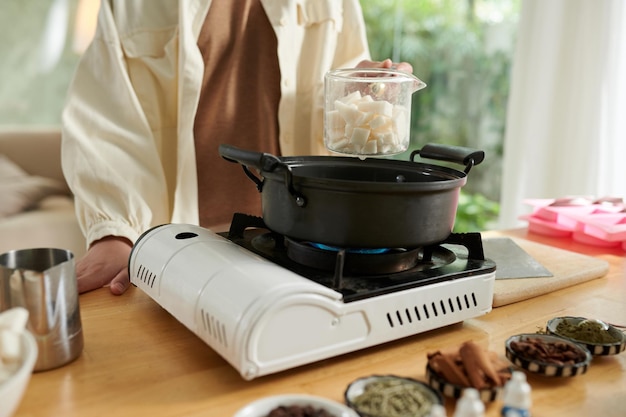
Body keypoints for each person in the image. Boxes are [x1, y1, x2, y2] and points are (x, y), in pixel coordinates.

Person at [61, 0, 414, 296]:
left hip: (300, 247)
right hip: (173, 253)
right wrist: (115, 232)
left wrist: (362, 89)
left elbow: (337, 87)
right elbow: (105, 119)